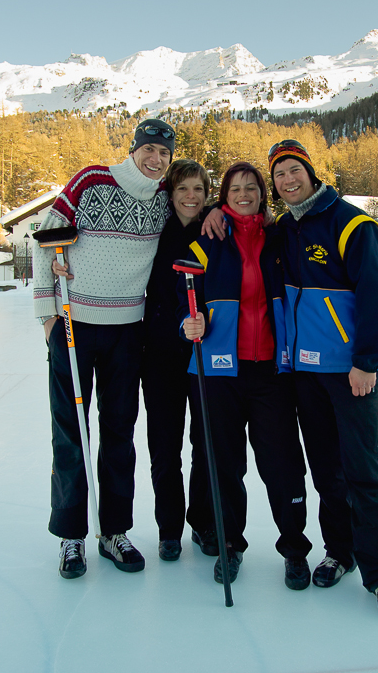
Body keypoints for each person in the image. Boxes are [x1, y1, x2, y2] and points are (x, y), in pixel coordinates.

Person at [268, 139, 378, 618]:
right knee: (327, 471)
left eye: (293, 170)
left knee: (364, 473)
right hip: (306, 374)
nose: (288, 180)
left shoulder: (352, 223)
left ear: (310, 171)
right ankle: (340, 551)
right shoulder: (284, 229)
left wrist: (368, 361)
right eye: (279, 175)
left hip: (352, 374)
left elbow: (376, 294)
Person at [33, 118, 176, 579]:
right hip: (74, 324)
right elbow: (46, 238)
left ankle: (114, 531)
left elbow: (194, 211)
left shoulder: (162, 199)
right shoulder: (92, 179)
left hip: (126, 330)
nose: (155, 160)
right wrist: (46, 314)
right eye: (148, 150)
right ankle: (72, 536)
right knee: (72, 431)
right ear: (133, 149)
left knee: (119, 431)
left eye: (164, 154)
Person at [182, 162, 312, 589]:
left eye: (251, 186)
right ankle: (229, 544)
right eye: (235, 188)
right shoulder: (209, 238)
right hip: (221, 373)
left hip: (271, 372)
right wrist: (189, 323)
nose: (243, 193)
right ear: (224, 195)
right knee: (224, 465)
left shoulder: (279, 238)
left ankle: (294, 548)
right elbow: (182, 297)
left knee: (282, 465)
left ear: (262, 192)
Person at [141, 159, 216, 562]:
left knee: (205, 444)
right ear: (171, 193)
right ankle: (169, 528)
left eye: (199, 191)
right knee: (165, 447)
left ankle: (203, 522)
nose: (191, 197)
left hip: (205, 353)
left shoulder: (213, 229)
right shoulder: (156, 230)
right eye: (183, 189)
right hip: (160, 356)